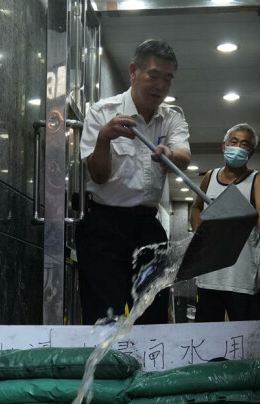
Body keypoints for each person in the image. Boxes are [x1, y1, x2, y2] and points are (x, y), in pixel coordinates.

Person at [76, 39, 191, 325]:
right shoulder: (102, 112)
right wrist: (103, 138)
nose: (161, 86)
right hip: (104, 224)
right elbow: (99, 176)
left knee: (151, 314)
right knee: (105, 316)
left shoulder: (171, 118)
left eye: (168, 78)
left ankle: (148, 369)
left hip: (148, 228)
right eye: (153, 75)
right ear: (133, 71)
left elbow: (184, 155)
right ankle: (103, 369)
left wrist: (170, 155)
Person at [190, 123, 260, 322]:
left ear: (250, 152)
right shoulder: (210, 177)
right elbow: (196, 207)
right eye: (234, 142)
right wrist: (200, 236)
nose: (238, 147)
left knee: (243, 335)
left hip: (240, 275)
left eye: (244, 144)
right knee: (206, 336)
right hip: (209, 275)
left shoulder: (256, 179)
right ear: (224, 146)